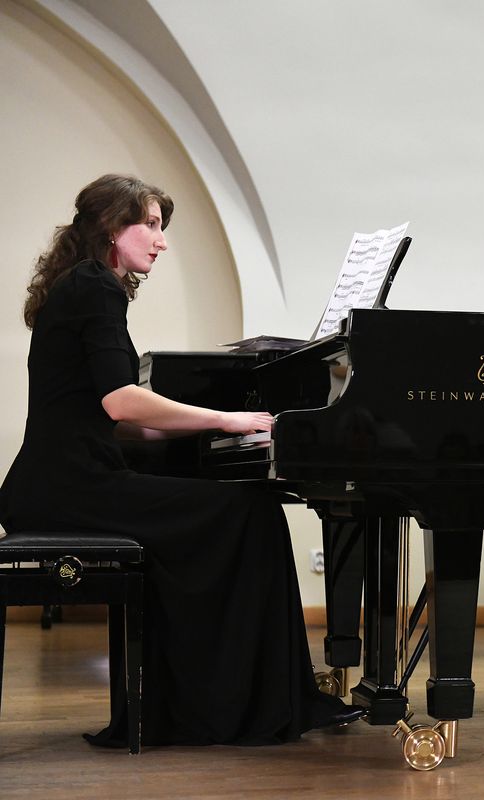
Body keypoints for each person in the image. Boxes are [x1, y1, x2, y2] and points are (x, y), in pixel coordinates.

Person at [0, 174, 363, 747]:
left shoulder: (81, 285)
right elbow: (121, 400)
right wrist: (227, 420)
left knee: (235, 511)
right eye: (150, 224)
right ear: (111, 226)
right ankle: (245, 705)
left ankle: (223, 700)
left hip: (57, 482)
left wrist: (203, 434)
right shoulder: (95, 286)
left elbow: (114, 415)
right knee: (251, 513)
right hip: (71, 487)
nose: (161, 240)